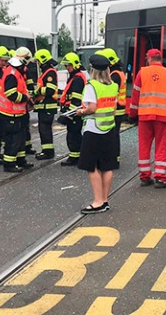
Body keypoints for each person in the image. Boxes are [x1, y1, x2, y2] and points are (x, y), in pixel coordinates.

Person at [128, 49, 166, 188]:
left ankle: (145, 176)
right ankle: (160, 177)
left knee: (144, 145)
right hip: (163, 116)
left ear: (150, 59)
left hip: (145, 116)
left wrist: (132, 114)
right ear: (160, 59)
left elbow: (135, 96)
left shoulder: (142, 73)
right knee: (162, 146)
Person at [74, 54, 119, 214]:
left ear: (93, 70)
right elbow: (113, 110)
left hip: (93, 130)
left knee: (91, 166)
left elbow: (92, 108)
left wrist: (81, 112)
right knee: (107, 166)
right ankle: (105, 200)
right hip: (109, 129)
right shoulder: (113, 85)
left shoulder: (91, 86)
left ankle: (98, 201)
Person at [0, 56, 33, 172]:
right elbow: (11, 94)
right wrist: (25, 98)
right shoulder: (12, 75)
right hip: (10, 113)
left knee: (20, 139)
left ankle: (20, 160)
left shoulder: (16, 73)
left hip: (17, 113)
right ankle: (9, 164)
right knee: (12, 140)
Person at [96, 48, 126, 153]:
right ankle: (114, 157)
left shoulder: (115, 75)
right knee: (113, 134)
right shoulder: (118, 73)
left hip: (116, 109)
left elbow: (110, 92)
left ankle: (113, 157)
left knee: (112, 135)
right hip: (118, 108)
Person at [59, 52, 87, 166]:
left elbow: (76, 100)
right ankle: (76, 155)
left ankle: (75, 157)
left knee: (73, 135)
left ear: (75, 65)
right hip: (74, 112)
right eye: (65, 66)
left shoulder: (77, 79)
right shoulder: (75, 77)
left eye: (68, 65)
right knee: (73, 134)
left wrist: (68, 115)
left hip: (74, 113)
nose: (67, 68)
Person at [33, 49, 58, 160]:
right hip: (44, 107)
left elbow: (50, 90)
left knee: (45, 130)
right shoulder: (46, 72)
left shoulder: (49, 73)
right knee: (44, 130)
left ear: (42, 61)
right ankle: (47, 151)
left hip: (47, 107)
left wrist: (36, 92)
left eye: (38, 61)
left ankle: (47, 152)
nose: (37, 63)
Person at [15, 46, 37, 155]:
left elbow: (30, 86)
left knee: (25, 127)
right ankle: (22, 149)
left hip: (23, 105)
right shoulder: (15, 71)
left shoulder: (24, 70)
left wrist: (31, 99)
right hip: (16, 105)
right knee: (18, 130)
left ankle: (27, 147)